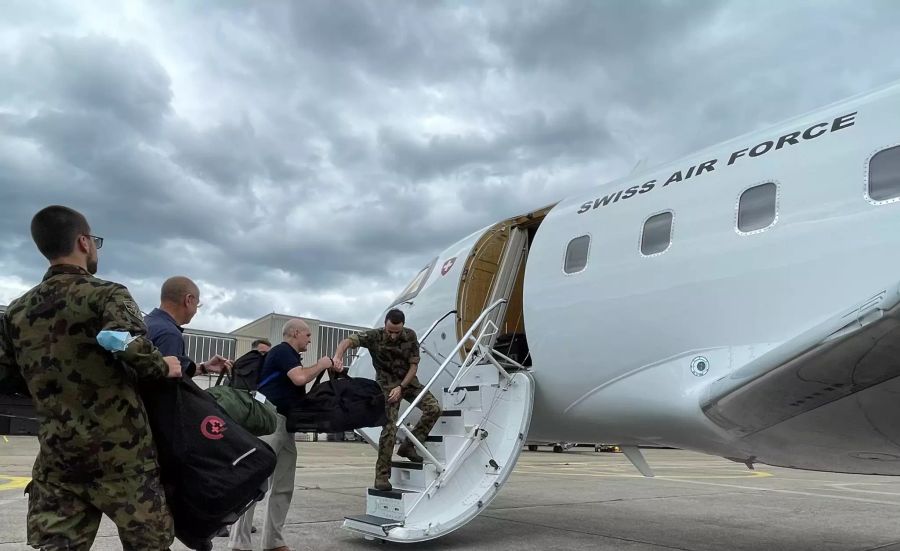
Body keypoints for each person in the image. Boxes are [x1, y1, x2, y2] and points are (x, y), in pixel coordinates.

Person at [0, 205, 182, 550]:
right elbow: (126, 344)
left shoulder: (17, 312)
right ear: (84, 242)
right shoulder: (106, 294)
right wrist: (164, 366)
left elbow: (7, 377)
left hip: (58, 457)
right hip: (123, 457)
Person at [230, 319, 338, 551]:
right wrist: (321, 364)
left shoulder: (290, 356)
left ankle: (273, 541)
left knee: (283, 485)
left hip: (285, 426)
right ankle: (239, 543)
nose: (310, 339)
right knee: (254, 482)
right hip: (270, 422)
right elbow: (299, 378)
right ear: (295, 333)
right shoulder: (282, 351)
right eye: (307, 335)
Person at [332, 308, 441, 491]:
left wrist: (402, 387)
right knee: (390, 428)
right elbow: (349, 341)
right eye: (389, 331)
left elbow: (414, 366)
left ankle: (409, 446)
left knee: (434, 408)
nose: (392, 336)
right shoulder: (375, 336)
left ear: (403, 327)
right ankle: (382, 476)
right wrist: (338, 355)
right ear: (385, 325)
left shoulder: (410, 336)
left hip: (407, 381)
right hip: (386, 385)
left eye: (396, 332)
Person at [145, 276, 232, 377]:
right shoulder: (170, 334)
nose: (195, 311)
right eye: (197, 305)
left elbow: (161, 370)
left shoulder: (145, 323)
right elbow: (169, 384)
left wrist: (204, 367)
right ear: (189, 300)